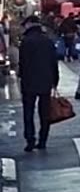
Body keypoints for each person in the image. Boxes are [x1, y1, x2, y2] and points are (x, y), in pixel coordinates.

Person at [17, 16, 59, 152]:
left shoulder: (26, 42)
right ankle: (43, 140)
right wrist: (55, 81)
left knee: (28, 112)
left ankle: (30, 139)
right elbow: (54, 62)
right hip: (45, 81)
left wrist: (21, 77)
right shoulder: (47, 41)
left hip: (29, 82)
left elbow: (22, 63)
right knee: (44, 113)